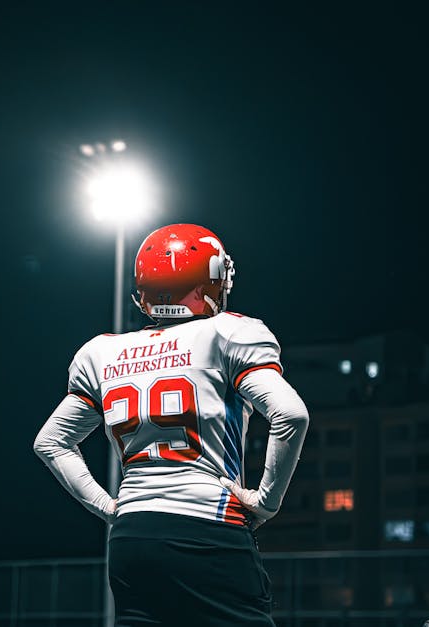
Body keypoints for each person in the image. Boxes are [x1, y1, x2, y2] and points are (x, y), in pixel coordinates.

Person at [33, 223, 308, 626]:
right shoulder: (228, 332)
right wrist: (266, 501)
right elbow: (290, 415)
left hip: (132, 537)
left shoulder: (103, 351)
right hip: (208, 527)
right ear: (210, 280)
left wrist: (111, 508)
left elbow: (51, 442)